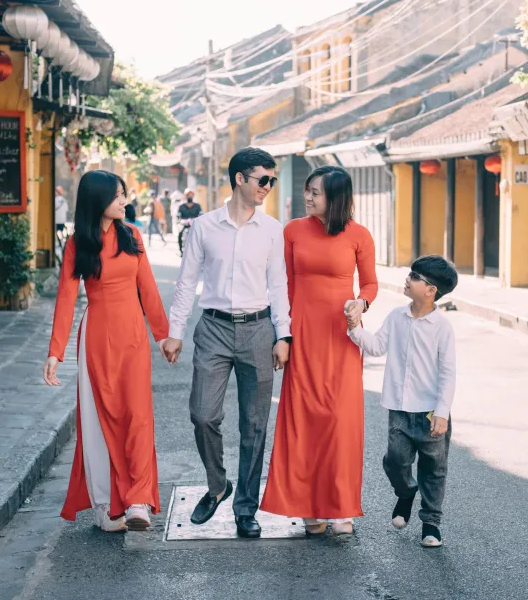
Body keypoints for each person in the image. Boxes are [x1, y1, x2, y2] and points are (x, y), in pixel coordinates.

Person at [161, 147, 291, 539]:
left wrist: (283, 334)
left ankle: (245, 509)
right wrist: (175, 331)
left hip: (257, 329)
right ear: (239, 179)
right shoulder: (203, 226)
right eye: (261, 180)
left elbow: (278, 285)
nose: (267, 187)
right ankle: (218, 484)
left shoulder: (272, 230)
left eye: (271, 180)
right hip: (214, 329)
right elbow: (186, 282)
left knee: (254, 425)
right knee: (203, 415)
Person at [43, 170, 169, 533]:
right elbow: (66, 300)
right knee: (100, 421)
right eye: (117, 196)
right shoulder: (77, 245)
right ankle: (105, 503)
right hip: (96, 338)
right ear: (97, 200)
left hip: (132, 337)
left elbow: (148, 289)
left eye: (124, 194)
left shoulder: (132, 236)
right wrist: (56, 352)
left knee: (138, 415)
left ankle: (138, 500)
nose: (124, 200)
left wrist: (162, 337)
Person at [260, 165, 378, 536]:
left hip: (342, 337)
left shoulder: (359, 235)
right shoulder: (293, 230)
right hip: (304, 335)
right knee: (304, 418)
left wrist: (362, 303)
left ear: (337, 198)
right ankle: (309, 506)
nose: (307, 197)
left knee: (340, 421)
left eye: (316, 192)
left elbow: (371, 283)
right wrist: (284, 336)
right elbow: (285, 287)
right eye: (307, 190)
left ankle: (340, 506)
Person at [346, 255, 458, 548]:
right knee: (395, 461)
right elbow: (376, 346)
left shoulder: (442, 327)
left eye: (415, 276)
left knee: (434, 470)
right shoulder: (397, 316)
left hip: (430, 412)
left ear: (430, 290)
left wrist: (442, 413)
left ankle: (431, 524)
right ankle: (406, 491)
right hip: (399, 408)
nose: (408, 279)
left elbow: (448, 373)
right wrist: (355, 327)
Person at [176, 190, 203, 256]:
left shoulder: (197, 206)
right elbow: (178, 216)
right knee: (180, 234)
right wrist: (181, 220)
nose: (190, 196)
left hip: (195, 224)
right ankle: (181, 250)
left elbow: (201, 214)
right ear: (185, 196)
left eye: (191, 195)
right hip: (184, 224)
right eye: (188, 195)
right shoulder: (181, 206)